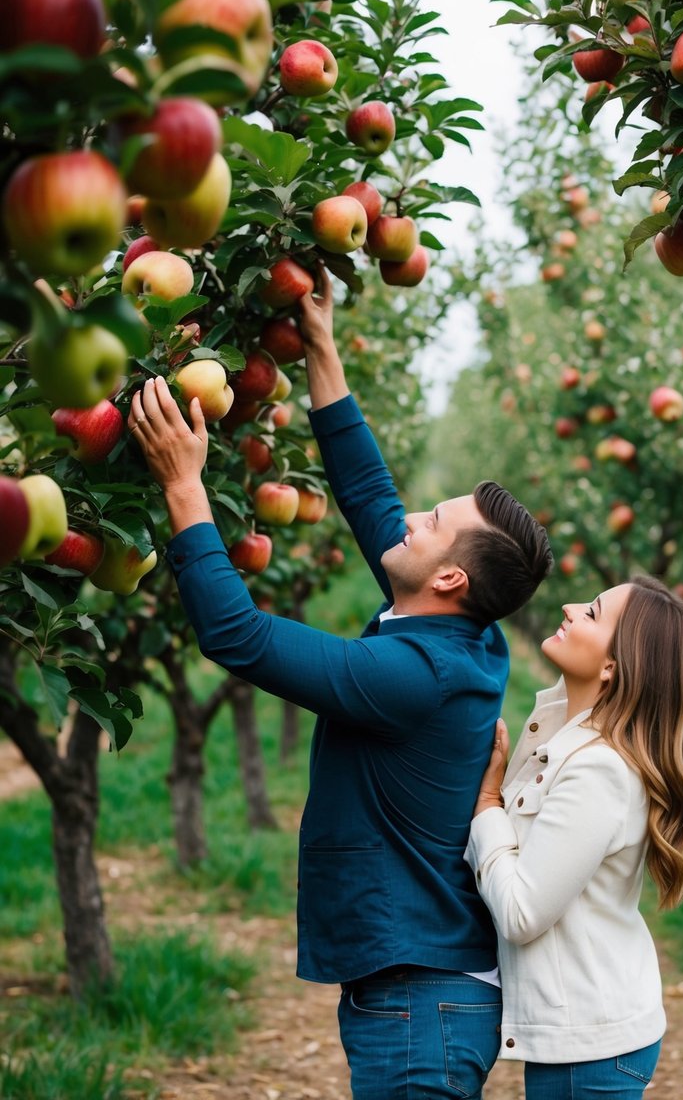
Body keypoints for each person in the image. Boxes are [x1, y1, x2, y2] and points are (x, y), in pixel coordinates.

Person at [127, 270, 554, 1100]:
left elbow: (239, 637)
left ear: (451, 581)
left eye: (434, 523)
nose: (412, 517)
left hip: (420, 1003)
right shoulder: (463, 631)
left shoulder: (414, 675)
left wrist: (184, 486)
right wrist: (321, 347)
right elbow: (366, 495)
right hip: (418, 990)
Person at [465, 576, 683, 1100]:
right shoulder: (562, 734)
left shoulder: (598, 771)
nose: (569, 606)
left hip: (593, 1053)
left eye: (593, 612)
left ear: (612, 666)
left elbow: (521, 914)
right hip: (589, 1041)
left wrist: (488, 806)